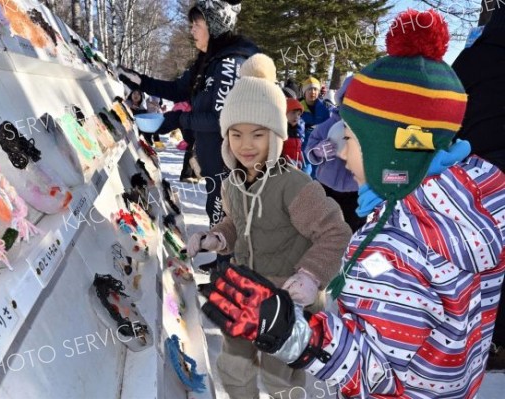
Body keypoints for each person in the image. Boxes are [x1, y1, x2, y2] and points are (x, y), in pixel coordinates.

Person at [200, 10, 505, 398]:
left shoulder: (393, 252)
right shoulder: (461, 206)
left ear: (391, 152)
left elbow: (375, 373)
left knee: (279, 383)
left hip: (295, 306)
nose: (340, 152)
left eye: (352, 138)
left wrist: (299, 337)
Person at [186, 54, 352, 399]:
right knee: (234, 366)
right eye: (236, 134)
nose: (246, 145)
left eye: (258, 134)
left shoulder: (293, 185)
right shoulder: (232, 182)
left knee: (281, 380)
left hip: (286, 302)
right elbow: (235, 222)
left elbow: (335, 232)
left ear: (276, 135)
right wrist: (217, 238)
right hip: (244, 292)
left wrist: (310, 276)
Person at [118, 0, 258, 273]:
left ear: (215, 27)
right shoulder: (209, 61)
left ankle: (228, 276)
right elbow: (180, 89)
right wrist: (141, 82)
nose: (191, 31)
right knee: (216, 212)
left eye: (197, 25)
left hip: (229, 162)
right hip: (213, 158)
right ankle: (222, 264)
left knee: (225, 215)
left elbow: (221, 120)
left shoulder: (231, 62)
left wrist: (178, 120)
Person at [452, 4, 505, 370]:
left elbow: (447, 109)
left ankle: (486, 339)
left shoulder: (473, 56)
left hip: (478, 175)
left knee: (483, 259)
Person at [305, 76, 365, 232]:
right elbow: (311, 145)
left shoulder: (369, 128)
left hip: (355, 190)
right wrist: (317, 151)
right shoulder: (330, 124)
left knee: (350, 227)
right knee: (322, 224)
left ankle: (348, 252)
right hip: (327, 185)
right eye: (350, 98)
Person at [300, 77, 332, 177]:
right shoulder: (298, 107)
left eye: (315, 89)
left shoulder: (326, 107)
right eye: (309, 89)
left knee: (319, 175)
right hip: (304, 148)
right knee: (305, 175)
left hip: (321, 147)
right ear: (304, 92)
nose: (312, 92)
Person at [282, 98, 305, 169]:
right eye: (293, 113)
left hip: (294, 167)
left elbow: (298, 149)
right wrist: (286, 161)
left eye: (298, 114)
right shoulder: (281, 131)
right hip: (282, 168)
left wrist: (300, 161)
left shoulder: (298, 132)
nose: (296, 117)